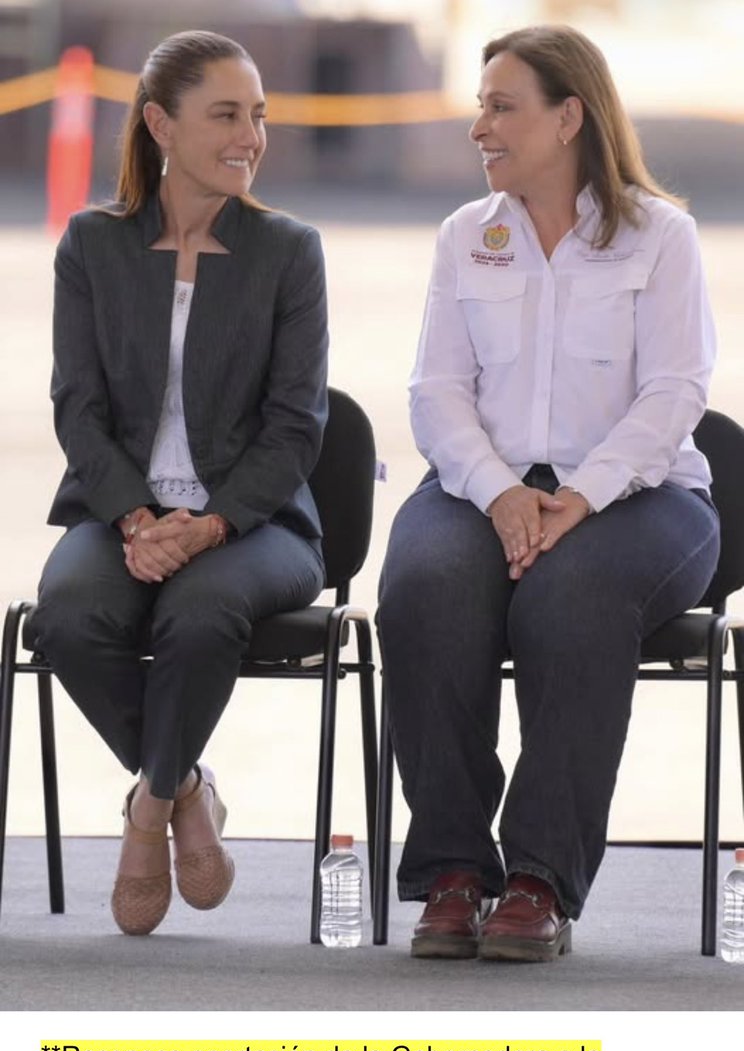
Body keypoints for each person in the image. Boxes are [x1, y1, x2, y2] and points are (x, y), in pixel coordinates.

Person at [377, 25, 720, 962]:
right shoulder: (467, 235)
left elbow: (676, 393)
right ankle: (453, 872)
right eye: (481, 104)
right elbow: (435, 393)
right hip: (482, 488)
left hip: (642, 497)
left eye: (501, 105)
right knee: (421, 589)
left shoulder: (661, 234)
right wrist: (498, 494)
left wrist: (582, 495)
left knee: (572, 601)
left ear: (569, 117)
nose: (479, 124)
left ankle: (538, 881)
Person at [27, 30, 328, 935]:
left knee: (203, 613)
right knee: (68, 618)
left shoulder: (289, 250)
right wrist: (134, 516)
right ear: (160, 123)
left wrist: (206, 527)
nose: (252, 136)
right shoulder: (92, 244)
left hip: (257, 522)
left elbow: (296, 426)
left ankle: (144, 815)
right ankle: (186, 788)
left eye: (260, 116)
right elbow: (76, 408)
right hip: (123, 515)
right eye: (227, 115)